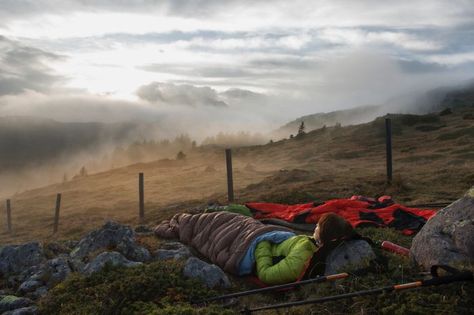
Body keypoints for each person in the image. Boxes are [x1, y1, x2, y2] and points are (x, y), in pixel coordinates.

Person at [254, 213, 358, 285]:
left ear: (324, 234)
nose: (315, 226)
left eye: (318, 226)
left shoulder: (301, 258)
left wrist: (263, 242)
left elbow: (265, 274)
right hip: (271, 241)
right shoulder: (315, 245)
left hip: (256, 252)